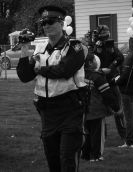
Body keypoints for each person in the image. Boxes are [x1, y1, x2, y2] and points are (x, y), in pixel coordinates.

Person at [16, 5, 88, 172]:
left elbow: (64, 70)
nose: (46, 25)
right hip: (48, 112)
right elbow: (24, 76)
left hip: (70, 109)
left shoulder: (75, 47)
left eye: (50, 21)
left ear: (61, 24)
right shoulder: (41, 49)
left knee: (67, 158)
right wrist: (25, 48)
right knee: (53, 159)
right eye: (43, 22)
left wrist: (39, 69)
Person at [81, 53, 119, 162]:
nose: (96, 62)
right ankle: (96, 156)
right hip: (96, 110)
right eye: (94, 60)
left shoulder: (81, 75)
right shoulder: (98, 77)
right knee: (98, 134)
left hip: (83, 110)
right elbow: (107, 94)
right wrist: (116, 107)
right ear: (90, 63)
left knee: (86, 133)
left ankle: (85, 155)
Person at [93, 25, 126, 144]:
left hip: (111, 81)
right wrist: (96, 47)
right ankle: (102, 137)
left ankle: (124, 136)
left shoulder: (110, 45)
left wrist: (111, 67)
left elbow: (120, 57)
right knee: (100, 110)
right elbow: (92, 60)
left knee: (118, 110)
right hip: (100, 81)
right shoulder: (95, 46)